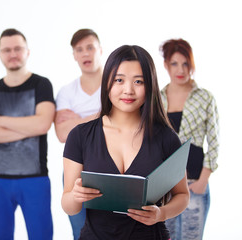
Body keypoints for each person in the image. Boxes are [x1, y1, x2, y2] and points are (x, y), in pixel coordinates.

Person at [61, 45, 190, 239]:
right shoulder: (80, 136)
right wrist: (76, 196)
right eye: (119, 80)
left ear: (150, 85)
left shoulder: (167, 138)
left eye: (138, 81)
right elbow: (68, 206)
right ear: (107, 83)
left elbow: (182, 195)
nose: (128, 90)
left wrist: (161, 214)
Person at [0, 28, 55, 240]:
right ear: (0, 54)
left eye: (18, 49)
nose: (13, 54)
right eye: (7, 50)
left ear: (28, 51)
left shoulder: (42, 84)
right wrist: (28, 127)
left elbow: (42, 125)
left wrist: (1, 121)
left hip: (35, 179)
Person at [160, 39, 219, 240]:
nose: (181, 69)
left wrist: (203, 180)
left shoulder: (205, 97)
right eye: (175, 63)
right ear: (166, 65)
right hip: (166, 187)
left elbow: (214, 142)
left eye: (186, 63)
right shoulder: (158, 98)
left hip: (194, 182)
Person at [54, 28, 103, 239]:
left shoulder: (115, 84)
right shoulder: (67, 91)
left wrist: (76, 120)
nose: (85, 53)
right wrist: (100, 115)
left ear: (100, 50)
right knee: (81, 232)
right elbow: (63, 133)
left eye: (90, 47)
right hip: (76, 169)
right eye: (79, 49)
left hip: (110, 168)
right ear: (74, 55)